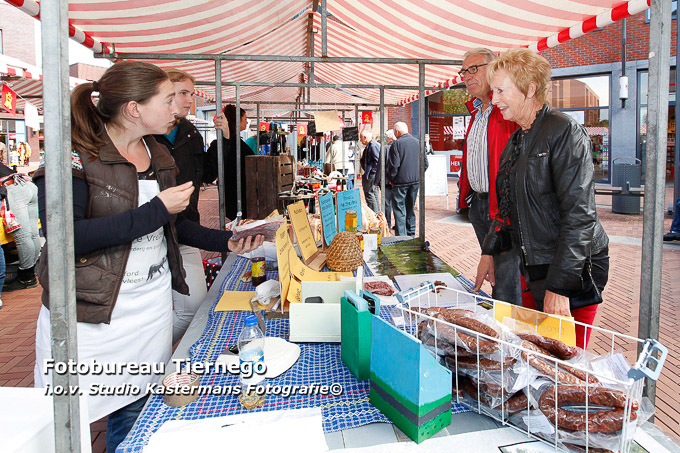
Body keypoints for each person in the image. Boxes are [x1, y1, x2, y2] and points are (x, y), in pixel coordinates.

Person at [32, 61, 263, 452]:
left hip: (149, 308)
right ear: (134, 108)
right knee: (67, 417)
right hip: (90, 313)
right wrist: (155, 209)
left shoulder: (158, 152)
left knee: (135, 410)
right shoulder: (75, 156)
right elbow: (65, 237)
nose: (177, 107)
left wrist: (227, 240)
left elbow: (173, 227)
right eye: (168, 98)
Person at [474, 49, 609, 348]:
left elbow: (580, 216)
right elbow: (507, 206)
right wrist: (489, 251)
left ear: (530, 89)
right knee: (538, 354)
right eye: (492, 91)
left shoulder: (564, 131)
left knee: (566, 361)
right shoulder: (517, 139)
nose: (493, 100)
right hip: (536, 266)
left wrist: (560, 287)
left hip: (575, 267)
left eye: (500, 90)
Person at [153, 69, 215, 343]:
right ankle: (149, 363)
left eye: (191, 93)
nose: (189, 99)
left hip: (185, 227)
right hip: (148, 235)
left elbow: (208, 175)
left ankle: (155, 358)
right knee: (156, 309)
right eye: (182, 93)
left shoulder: (191, 132)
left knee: (193, 306)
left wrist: (223, 140)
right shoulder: (146, 135)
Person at [458, 47, 522, 305]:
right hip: (480, 205)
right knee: (495, 273)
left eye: (474, 69)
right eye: (464, 71)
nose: (467, 76)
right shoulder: (476, 112)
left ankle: (508, 337)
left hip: (503, 210)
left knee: (506, 280)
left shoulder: (507, 111)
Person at [206, 105, 255, 220]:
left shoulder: (235, 142)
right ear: (237, 121)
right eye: (244, 119)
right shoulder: (233, 144)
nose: (247, 122)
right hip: (237, 193)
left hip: (232, 193)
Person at [0, 163, 40, 292]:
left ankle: (27, 277)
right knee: (33, 234)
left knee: (23, 236)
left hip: (14, 189)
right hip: (26, 185)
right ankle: (30, 273)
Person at [386, 122, 428, 237]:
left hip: (400, 182)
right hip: (415, 181)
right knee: (410, 208)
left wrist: (391, 178)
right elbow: (425, 163)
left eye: (395, 132)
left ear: (397, 131)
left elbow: (394, 165)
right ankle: (411, 234)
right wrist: (418, 175)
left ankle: (402, 237)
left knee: (399, 210)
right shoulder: (418, 143)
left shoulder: (397, 144)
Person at [376, 129, 396, 228]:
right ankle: (398, 223)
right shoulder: (399, 148)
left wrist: (376, 181)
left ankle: (387, 223)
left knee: (387, 203)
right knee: (397, 203)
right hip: (398, 181)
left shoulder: (385, 149)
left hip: (387, 181)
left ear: (389, 138)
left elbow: (380, 166)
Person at [359, 129, 380, 213]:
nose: (360, 140)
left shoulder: (373, 145)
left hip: (371, 174)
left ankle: (374, 213)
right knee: (373, 193)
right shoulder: (372, 145)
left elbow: (377, 160)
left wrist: (372, 171)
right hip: (371, 173)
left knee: (370, 193)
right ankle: (376, 213)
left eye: (361, 138)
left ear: (365, 137)